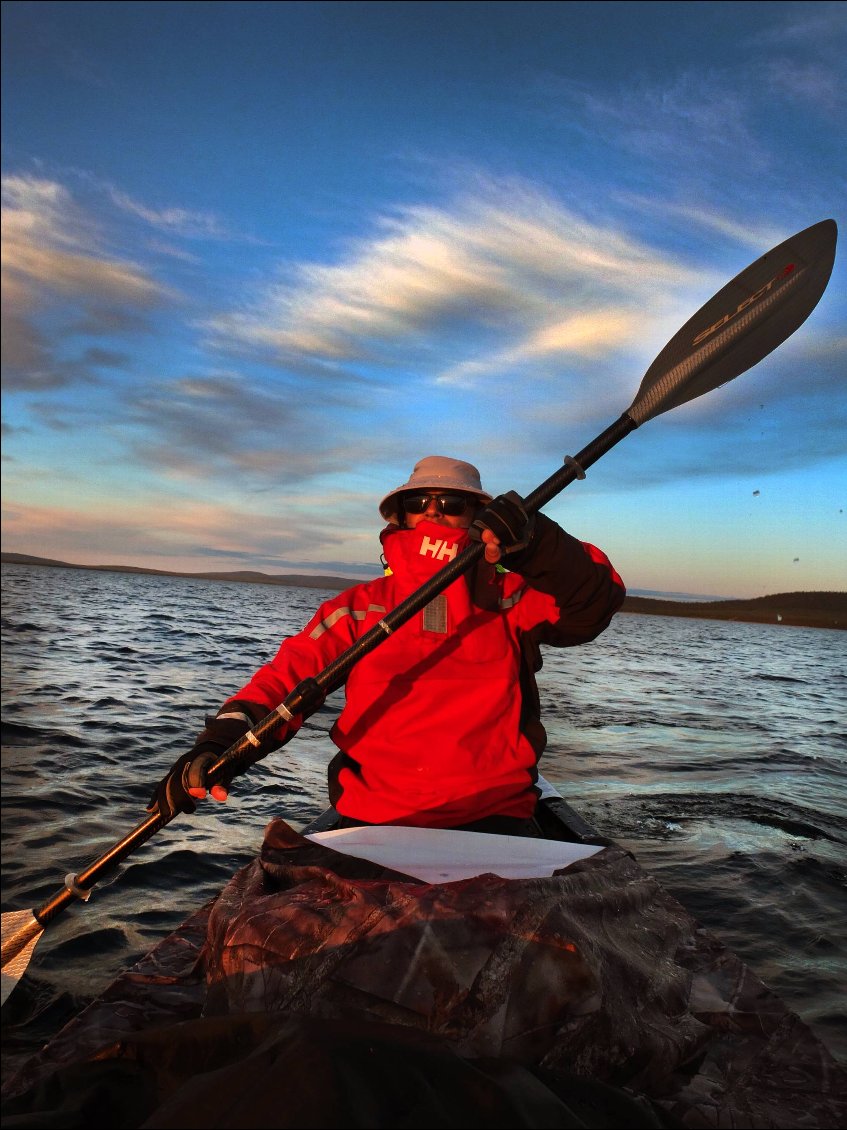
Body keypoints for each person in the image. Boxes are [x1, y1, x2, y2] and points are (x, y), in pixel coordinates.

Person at [149, 456, 625, 835]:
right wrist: (219, 744)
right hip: (372, 819)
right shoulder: (356, 609)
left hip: (493, 816)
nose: (434, 511)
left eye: (453, 503)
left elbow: (593, 605)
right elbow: (287, 678)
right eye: (420, 501)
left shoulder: (514, 599)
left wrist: (539, 541)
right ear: (400, 516)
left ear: (480, 519)